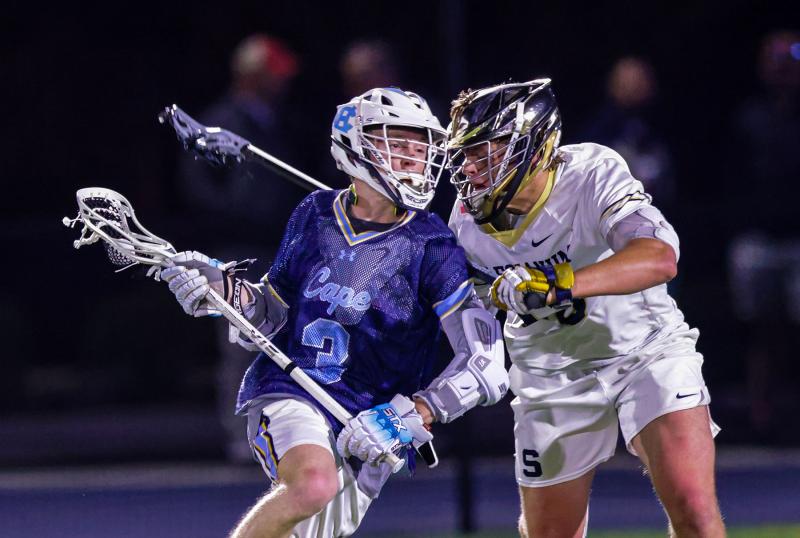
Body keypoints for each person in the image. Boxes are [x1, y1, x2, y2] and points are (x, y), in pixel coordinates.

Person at [162, 87, 509, 537]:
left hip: (371, 421)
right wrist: (221, 291)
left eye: (420, 147)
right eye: (397, 144)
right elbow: (272, 316)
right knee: (312, 487)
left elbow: (486, 366)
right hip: (294, 387)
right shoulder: (314, 214)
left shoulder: (434, 246)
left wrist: (408, 417)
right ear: (357, 146)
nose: (413, 158)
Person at [445, 79, 725, 537]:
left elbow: (658, 257)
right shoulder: (465, 224)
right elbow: (464, 305)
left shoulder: (591, 170)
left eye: (486, 152)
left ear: (534, 146)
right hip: (551, 372)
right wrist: (487, 292)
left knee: (694, 510)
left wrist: (556, 283)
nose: (471, 168)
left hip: (645, 350)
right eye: (466, 155)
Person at [176, 33, 307, 462]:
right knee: (239, 341)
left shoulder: (277, 120)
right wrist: (240, 212)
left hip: (279, 247)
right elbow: (196, 186)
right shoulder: (222, 120)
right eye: (274, 74)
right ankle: (240, 438)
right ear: (252, 74)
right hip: (239, 248)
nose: (282, 82)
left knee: (285, 339)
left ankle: (280, 433)